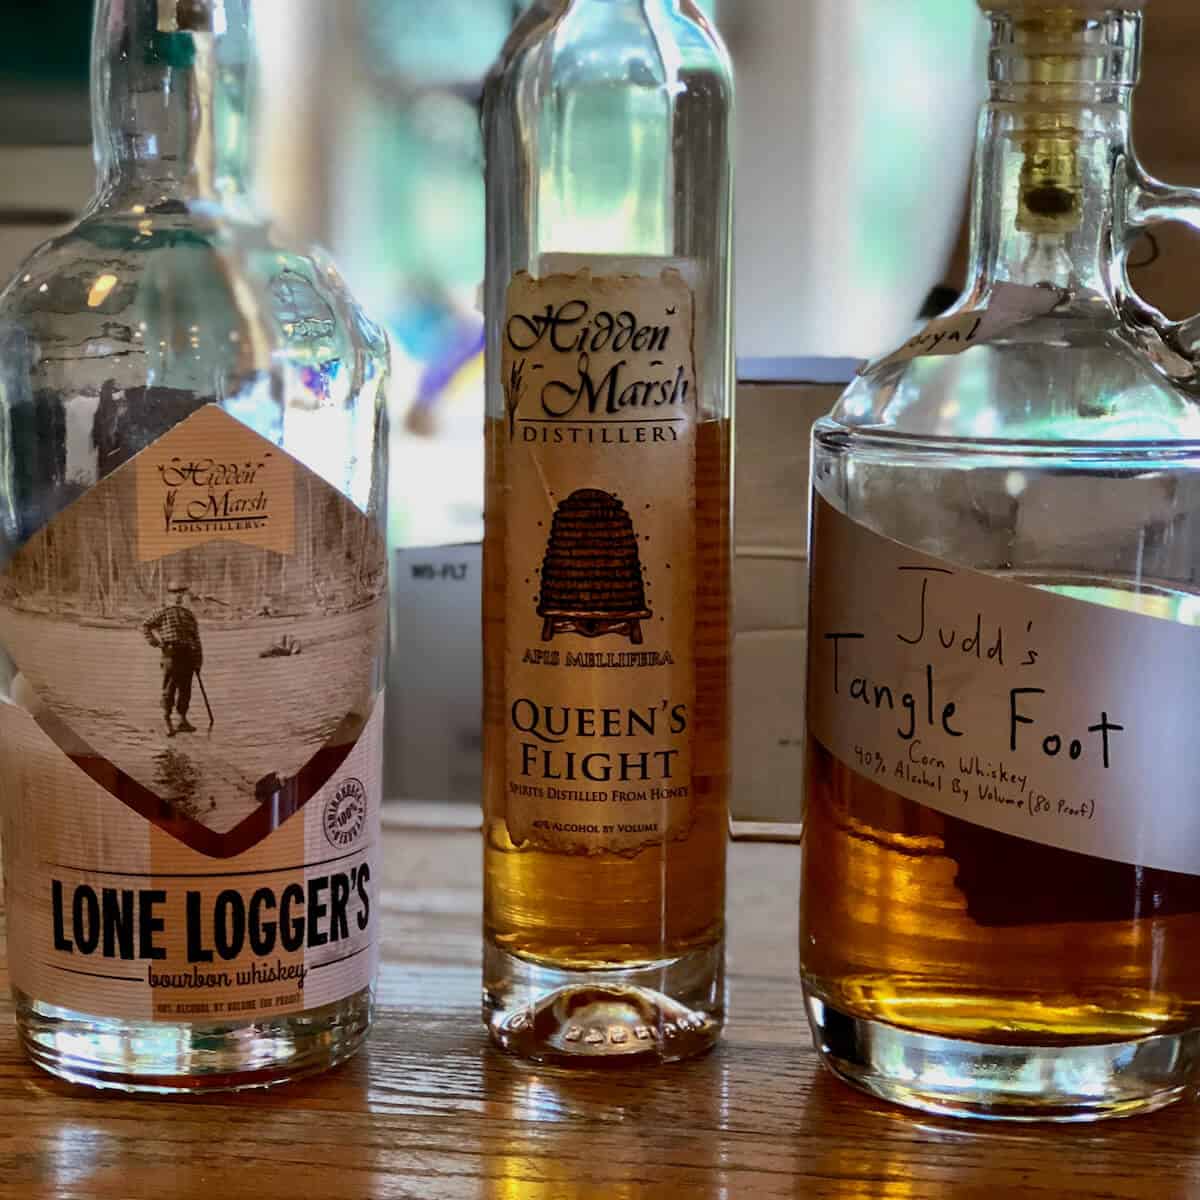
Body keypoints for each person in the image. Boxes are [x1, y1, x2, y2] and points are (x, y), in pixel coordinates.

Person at [143, 582, 204, 736]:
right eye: (175, 593)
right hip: (171, 654)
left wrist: (198, 660)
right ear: (169, 595)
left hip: (188, 655)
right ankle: (166, 720)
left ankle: (182, 719)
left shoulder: (189, 615)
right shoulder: (162, 612)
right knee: (169, 688)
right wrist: (155, 642)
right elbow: (146, 625)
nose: (178, 596)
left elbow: (196, 639)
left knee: (186, 689)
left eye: (181, 593)